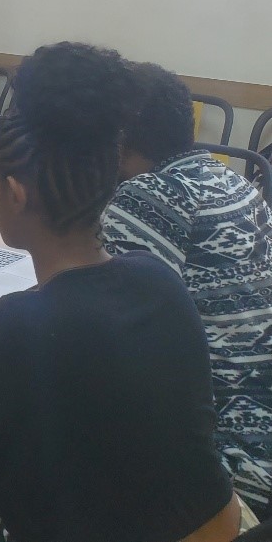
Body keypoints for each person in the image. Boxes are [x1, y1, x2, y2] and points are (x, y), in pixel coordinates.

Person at [0, 43, 242, 542]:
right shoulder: (158, 280)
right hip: (221, 527)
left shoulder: (8, 326)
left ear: (14, 194)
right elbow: (82, 366)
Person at [103, 62, 272, 520]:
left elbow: (110, 352)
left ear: (117, 137)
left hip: (225, 465)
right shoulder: (232, 181)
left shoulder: (146, 198)